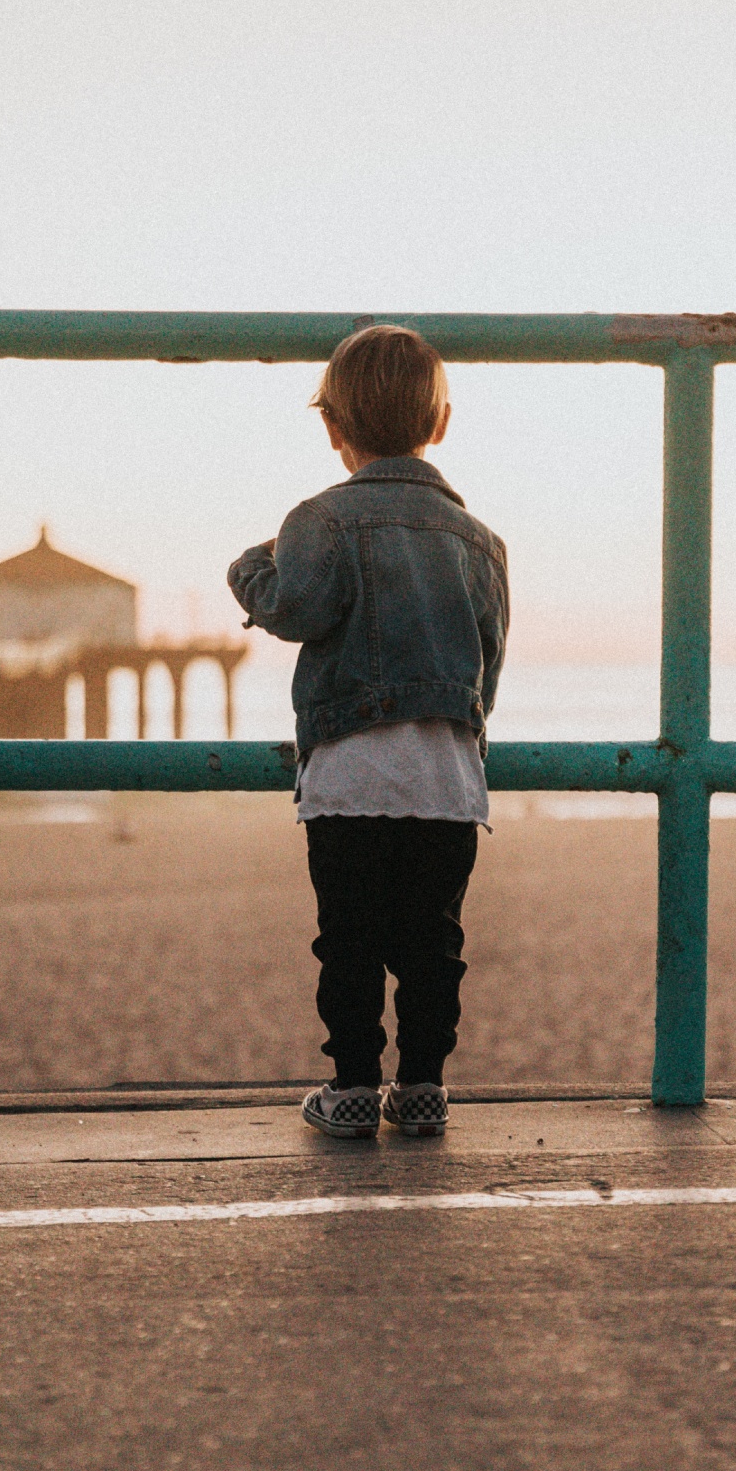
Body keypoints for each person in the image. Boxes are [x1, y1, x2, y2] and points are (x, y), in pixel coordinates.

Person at [228, 324, 509, 1140]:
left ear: (332, 427)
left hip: (350, 778)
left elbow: (295, 609)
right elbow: (487, 662)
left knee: (346, 943)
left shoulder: (320, 521)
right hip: (446, 782)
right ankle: (422, 1087)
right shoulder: (480, 541)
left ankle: (352, 1087)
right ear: (441, 421)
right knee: (433, 948)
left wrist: (249, 567)